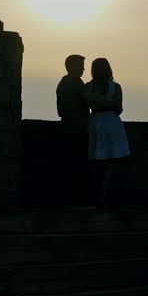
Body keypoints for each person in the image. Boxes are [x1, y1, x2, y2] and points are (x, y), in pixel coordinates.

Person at [85, 57, 129, 206]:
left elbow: (87, 104)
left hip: (96, 121)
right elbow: (119, 109)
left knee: (96, 161)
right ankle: (105, 197)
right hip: (111, 122)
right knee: (111, 161)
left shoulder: (88, 87)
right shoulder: (116, 87)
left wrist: (98, 101)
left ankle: (96, 197)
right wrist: (109, 103)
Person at [56, 54, 89, 202]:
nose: (83, 69)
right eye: (81, 65)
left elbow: (60, 110)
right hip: (77, 128)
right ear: (74, 67)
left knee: (66, 164)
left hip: (66, 126)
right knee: (76, 165)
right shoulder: (76, 83)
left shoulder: (62, 82)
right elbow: (87, 102)